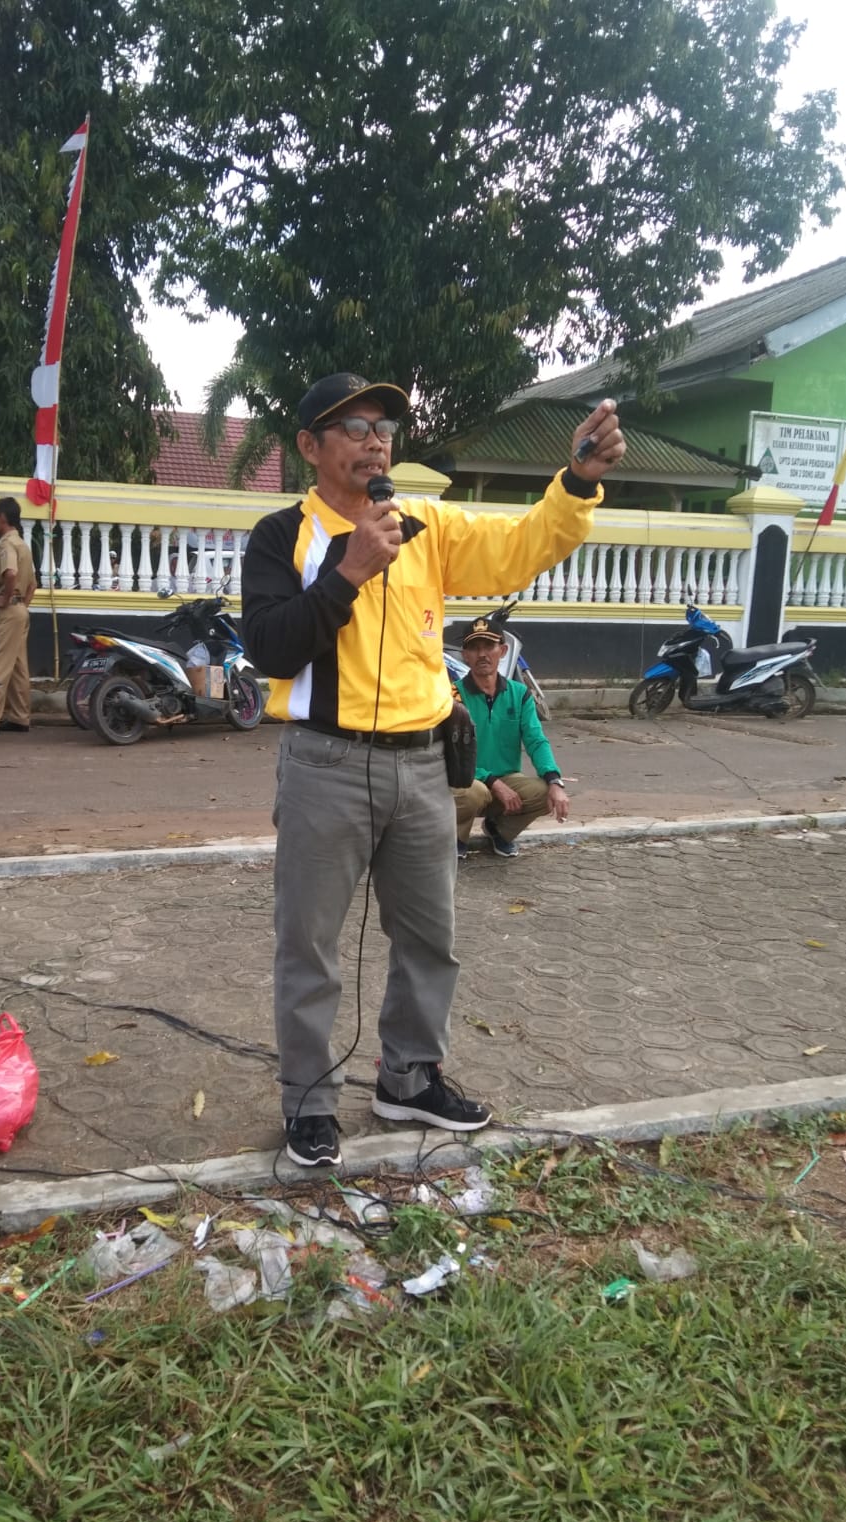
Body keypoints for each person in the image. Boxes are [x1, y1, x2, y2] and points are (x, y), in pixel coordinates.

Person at [242, 372, 624, 1167]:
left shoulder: (428, 526)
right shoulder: (283, 537)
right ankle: (309, 1103)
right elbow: (271, 648)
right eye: (351, 426)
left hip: (422, 768)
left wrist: (577, 483)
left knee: (429, 939)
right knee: (308, 945)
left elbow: (519, 549)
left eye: (383, 424)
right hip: (325, 765)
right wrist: (348, 570)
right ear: (310, 447)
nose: (374, 438)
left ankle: (410, 1078)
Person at [452, 616, 570, 860]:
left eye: (489, 646)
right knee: (473, 792)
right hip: (468, 780)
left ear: (502, 651)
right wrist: (492, 781)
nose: (482, 654)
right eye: (474, 648)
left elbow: (536, 741)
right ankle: (456, 838)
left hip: (507, 780)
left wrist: (555, 781)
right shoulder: (453, 694)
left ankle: (500, 831)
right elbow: (453, 753)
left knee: (544, 792)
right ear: (465, 655)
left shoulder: (520, 694)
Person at [0, 496, 37, 735]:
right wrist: (21, 605)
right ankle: (20, 716)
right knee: (17, 667)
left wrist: (6, 599)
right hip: (20, 610)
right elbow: (33, 584)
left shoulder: (6, 544)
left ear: (2, 518)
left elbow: (11, 572)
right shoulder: (23, 544)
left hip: (7, 611)